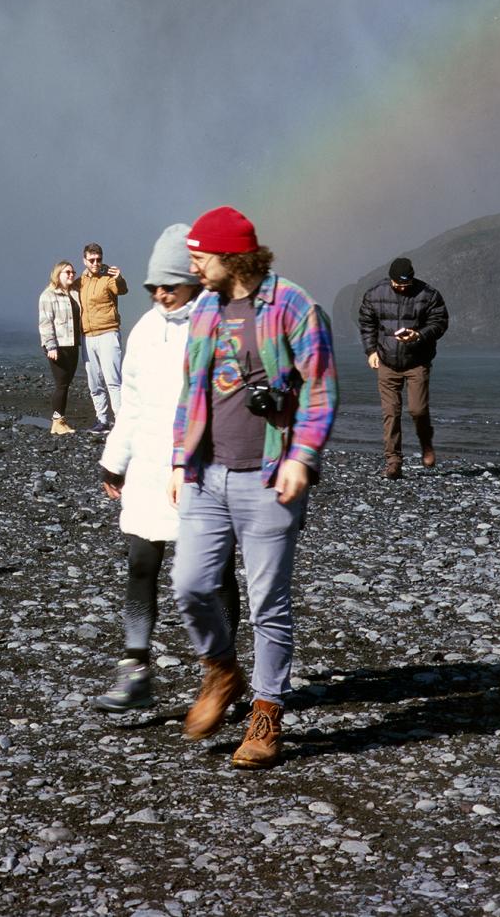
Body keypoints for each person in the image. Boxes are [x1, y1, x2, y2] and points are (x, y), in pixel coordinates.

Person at [170, 205, 338, 771]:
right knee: (190, 585)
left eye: (199, 254)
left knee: (269, 603)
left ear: (230, 256)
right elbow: (190, 391)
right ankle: (220, 668)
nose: (192, 263)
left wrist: (303, 457)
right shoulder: (203, 309)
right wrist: (178, 460)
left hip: (268, 477)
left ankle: (266, 715)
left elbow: (319, 389)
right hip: (205, 475)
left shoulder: (292, 304)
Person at [94, 224, 240, 711]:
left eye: (170, 284)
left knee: (214, 576)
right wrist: (115, 462)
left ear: (194, 280)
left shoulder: (220, 324)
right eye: (153, 285)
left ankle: (219, 673)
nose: (160, 293)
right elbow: (130, 406)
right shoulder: (144, 330)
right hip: (151, 468)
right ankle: (135, 672)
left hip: (207, 470)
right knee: (141, 564)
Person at [357, 255, 449, 478]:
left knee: (417, 410)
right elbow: (367, 323)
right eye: (397, 284)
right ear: (390, 280)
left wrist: (418, 335)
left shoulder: (428, 294)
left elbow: (440, 322)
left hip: (417, 361)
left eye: (406, 284)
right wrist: (370, 351)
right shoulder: (374, 294)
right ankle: (393, 462)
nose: (401, 288)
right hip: (387, 361)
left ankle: (426, 443)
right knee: (391, 413)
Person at [75, 242, 128, 430]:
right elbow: (64, 289)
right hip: (88, 336)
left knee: (113, 380)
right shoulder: (80, 281)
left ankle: (122, 422)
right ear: (85, 261)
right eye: (92, 260)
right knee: (94, 382)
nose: (96, 263)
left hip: (108, 332)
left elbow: (122, 289)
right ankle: (102, 420)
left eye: (99, 259)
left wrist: (119, 277)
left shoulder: (109, 277)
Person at [38, 260, 81, 436]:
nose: (71, 275)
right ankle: (57, 422)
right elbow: (45, 323)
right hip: (58, 346)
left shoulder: (75, 293)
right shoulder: (48, 295)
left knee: (66, 383)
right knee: (61, 384)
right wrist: (51, 346)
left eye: (73, 272)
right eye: (67, 272)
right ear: (58, 274)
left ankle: (60, 420)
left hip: (72, 344)